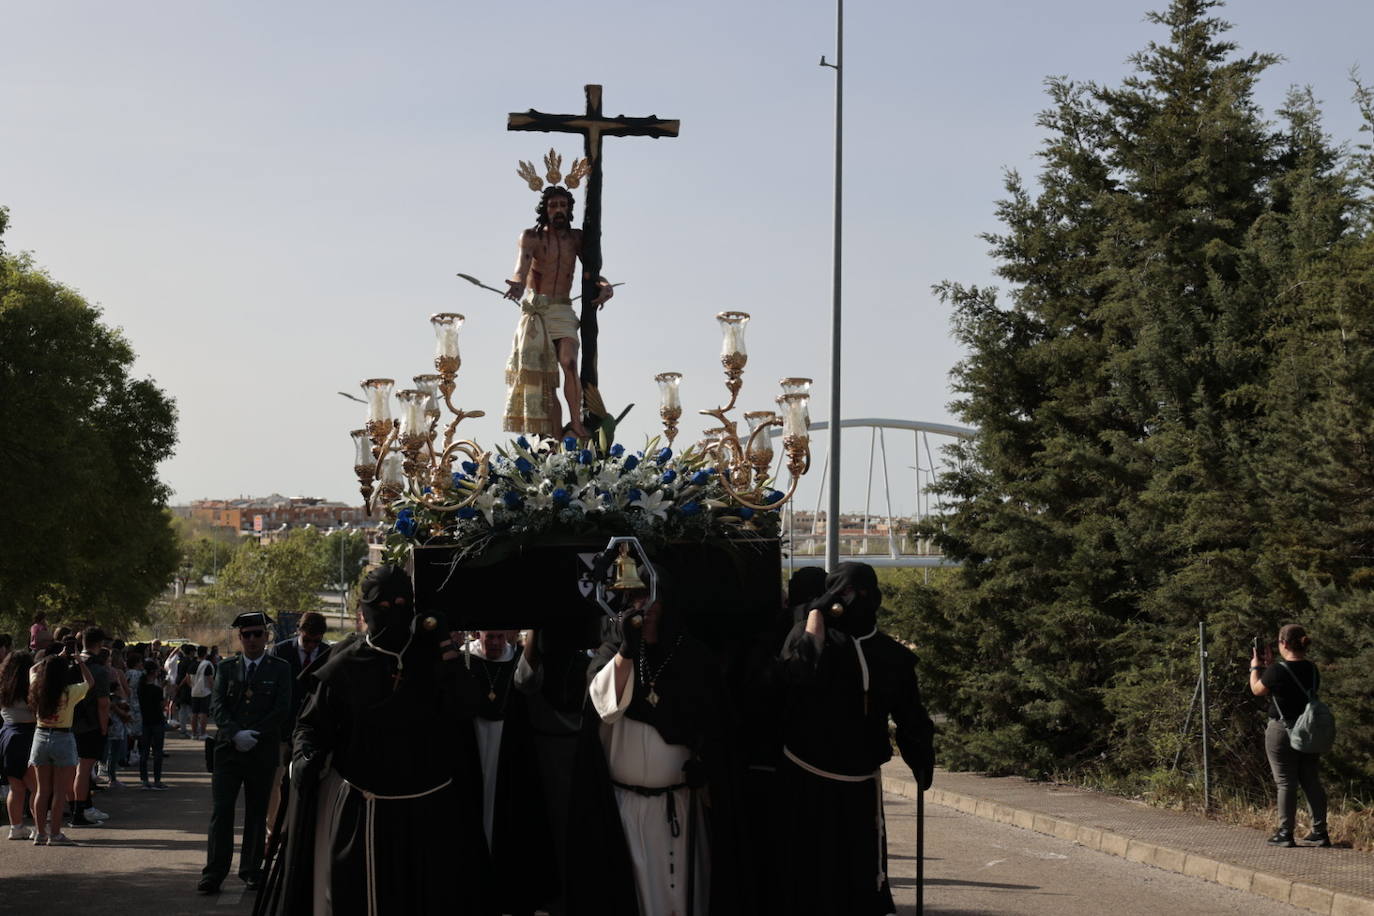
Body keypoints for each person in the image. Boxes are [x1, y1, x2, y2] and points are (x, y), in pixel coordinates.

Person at [256, 564, 487, 916]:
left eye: (401, 603)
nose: (393, 613)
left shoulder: (432, 658)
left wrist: (444, 645)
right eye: (382, 607)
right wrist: (306, 755)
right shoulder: (345, 662)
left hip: (431, 810)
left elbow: (467, 705)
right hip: (366, 813)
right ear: (364, 611)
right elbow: (311, 724)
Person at [566, 564, 742, 916]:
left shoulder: (693, 656)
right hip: (625, 812)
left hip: (681, 806)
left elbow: (715, 725)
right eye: (633, 598)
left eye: (649, 597)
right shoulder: (609, 654)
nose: (642, 608)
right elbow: (604, 707)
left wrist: (704, 768)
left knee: (683, 899)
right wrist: (626, 654)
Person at [773, 562, 935, 915]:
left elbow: (911, 715)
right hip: (806, 780)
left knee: (859, 875)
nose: (854, 602)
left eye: (861, 594)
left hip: (860, 785)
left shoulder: (892, 657)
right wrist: (815, 614)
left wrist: (920, 757)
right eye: (844, 594)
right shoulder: (812, 638)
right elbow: (798, 672)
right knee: (810, 874)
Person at [503, 183, 614, 439]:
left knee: (569, 361)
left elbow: (592, 271)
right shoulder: (532, 236)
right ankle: (553, 437)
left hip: (563, 310)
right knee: (546, 378)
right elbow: (522, 266)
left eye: (563, 205)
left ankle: (576, 422)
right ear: (545, 209)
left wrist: (605, 285)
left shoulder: (576, 238)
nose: (559, 210)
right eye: (554, 206)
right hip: (538, 312)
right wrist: (518, 284)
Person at [459, 629, 554, 916]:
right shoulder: (466, 662)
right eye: (490, 638)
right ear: (480, 635)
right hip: (473, 746)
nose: (495, 644)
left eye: (501, 638)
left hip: (508, 752)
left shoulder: (518, 662)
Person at [200, 612, 292, 895]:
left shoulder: (280, 668)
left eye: (257, 634)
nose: (252, 639)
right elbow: (217, 706)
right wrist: (235, 733)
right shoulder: (226, 668)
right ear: (239, 638)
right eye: (246, 635)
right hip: (229, 751)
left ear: (267, 637)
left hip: (261, 751)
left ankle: (252, 870)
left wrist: (256, 735)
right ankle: (214, 873)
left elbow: (282, 707)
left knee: (256, 813)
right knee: (221, 812)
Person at [514, 621, 591, 916]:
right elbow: (525, 681)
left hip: (573, 756)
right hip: (544, 757)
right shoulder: (541, 666)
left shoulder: (586, 665)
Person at [1250, 623, 1330, 847]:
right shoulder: (1312, 669)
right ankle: (1320, 832)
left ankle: (1285, 833)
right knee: (1311, 779)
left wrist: (1255, 668)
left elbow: (1257, 689)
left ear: (1283, 643)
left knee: (1286, 782)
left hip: (1282, 730)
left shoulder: (1276, 671)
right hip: (1309, 729)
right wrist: (1271, 667)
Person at [265, 610, 330, 839]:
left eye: (316, 640)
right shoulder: (280, 651)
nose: (312, 645)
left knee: (305, 782)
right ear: (299, 632)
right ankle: (272, 830)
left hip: (311, 732)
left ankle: (300, 829)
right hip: (282, 729)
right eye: (307, 640)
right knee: (275, 782)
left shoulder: (328, 653)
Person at [28, 647, 94, 846]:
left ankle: (40, 832)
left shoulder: (36, 688)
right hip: (62, 737)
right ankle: (55, 834)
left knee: (42, 790)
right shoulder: (70, 692)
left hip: (40, 736)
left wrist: (54, 657)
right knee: (59, 791)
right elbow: (90, 682)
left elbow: (31, 669)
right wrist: (79, 661)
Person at [68, 626, 111, 827]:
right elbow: (103, 704)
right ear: (100, 644)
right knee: (84, 770)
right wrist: (104, 729)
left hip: (66, 722)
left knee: (74, 769)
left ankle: (82, 806)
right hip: (89, 724)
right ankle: (80, 811)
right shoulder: (99, 670)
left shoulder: (69, 664)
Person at [1, 650, 36, 839]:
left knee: (16, 787)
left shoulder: (3, 686)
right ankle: (39, 827)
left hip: (7, 734)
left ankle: (16, 827)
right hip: (28, 735)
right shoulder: (31, 687)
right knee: (36, 787)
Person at [136, 659, 168, 789]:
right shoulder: (157, 689)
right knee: (157, 752)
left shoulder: (140, 688)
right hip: (157, 721)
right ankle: (157, 780)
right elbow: (162, 705)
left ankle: (144, 780)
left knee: (144, 752)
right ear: (154, 672)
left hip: (144, 721)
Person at [189, 645, 215, 740]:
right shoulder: (206, 665)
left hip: (194, 691)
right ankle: (202, 733)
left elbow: (187, 677)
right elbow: (210, 680)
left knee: (194, 713)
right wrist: (214, 690)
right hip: (205, 691)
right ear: (205, 653)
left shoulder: (192, 664)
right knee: (203, 713)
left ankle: (194, 733)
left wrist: (192, 686)